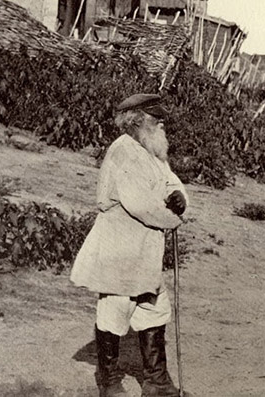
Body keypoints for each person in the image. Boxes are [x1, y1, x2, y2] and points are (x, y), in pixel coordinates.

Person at [71, 93, 188, 397]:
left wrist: (180, 197)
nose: (162, 122)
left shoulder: (151, 150)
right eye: (155, 118)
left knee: (154, 307)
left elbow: (170, 181)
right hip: (120, 244)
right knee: (117, 307)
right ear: (137, 122)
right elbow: (140, 203)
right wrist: (172, 217)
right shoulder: (123, 151)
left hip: (146, 245)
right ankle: (109, 383)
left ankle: (156, 382)